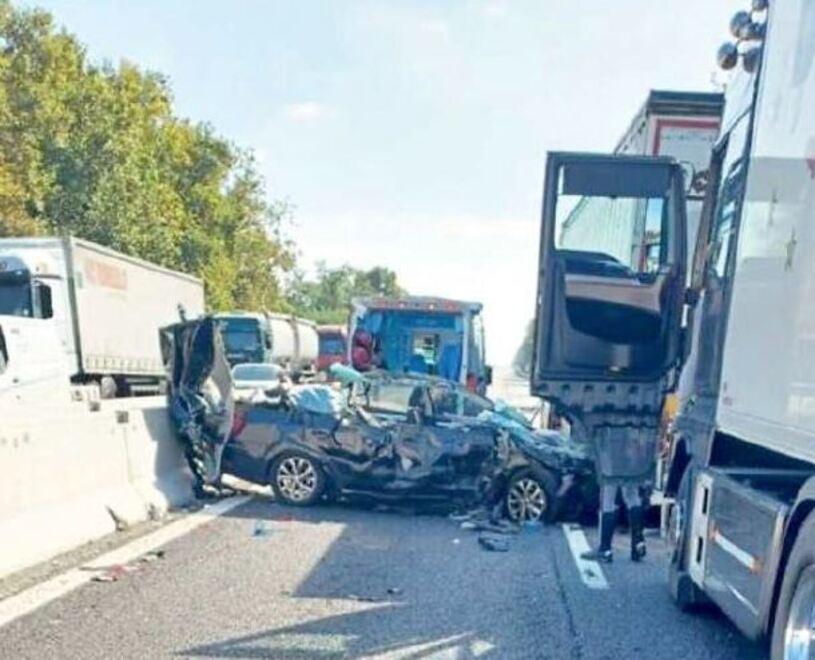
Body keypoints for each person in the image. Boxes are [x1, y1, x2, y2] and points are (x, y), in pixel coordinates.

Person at [581, 483, 646, 563]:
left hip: (611, 471)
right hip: (632, 470)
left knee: (608, 497)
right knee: (632, 495)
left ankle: (605, 549)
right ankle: (638, 543)